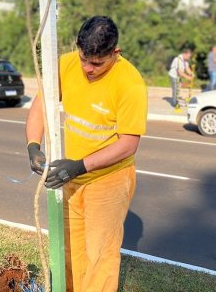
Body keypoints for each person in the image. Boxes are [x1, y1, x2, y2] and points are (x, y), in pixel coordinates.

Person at [25, 16, 148, 292]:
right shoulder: (66, 65)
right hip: (73, 177)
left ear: (115, 53)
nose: (88, 68)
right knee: (71, 249)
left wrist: (79, 166)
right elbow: (41, 105)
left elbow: (128, 143)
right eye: (84, 59)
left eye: (97, 63)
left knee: (100, 256)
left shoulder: (130, 84)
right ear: (77, 47)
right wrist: (33, 144)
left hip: (108, 179)